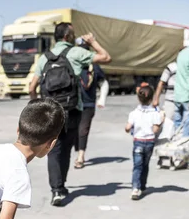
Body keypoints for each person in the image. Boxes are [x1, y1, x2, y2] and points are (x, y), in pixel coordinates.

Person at [29, 22, 111, 206]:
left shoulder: (44, 58)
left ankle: (57, 189)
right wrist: (92, 42)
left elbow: (31, 87)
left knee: (54, 150)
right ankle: (60, 186)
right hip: (73, 109)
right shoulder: (75, 53)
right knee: (66, 149)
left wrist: (37, 106)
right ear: (67, 36)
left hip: (51, 111)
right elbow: (106, 57)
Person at [74, 39, 109, 168]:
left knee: (83, 130)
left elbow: (103, 83)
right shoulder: (73, 64)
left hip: (88, 104)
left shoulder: (94, 67)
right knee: (74, 131)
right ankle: (78, 151)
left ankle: (80, 157)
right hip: (73, 104)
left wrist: (102, 100)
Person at [125, 83, 163, 200]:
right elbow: (155, 129)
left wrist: (129, 128)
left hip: (138, 141)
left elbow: (127, 128)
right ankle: (143, 185)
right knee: (145, 165)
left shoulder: (134, 113)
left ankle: (135, 188)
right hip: (149, 142)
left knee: (137, 166)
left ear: (138, 98)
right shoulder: (155, 113)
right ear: (151, 99)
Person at [174, 46, 189, 136]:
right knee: (186, 130)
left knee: (177, 126)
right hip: (187, 96)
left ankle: (176, 144)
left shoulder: (181, 53)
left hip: (178, 95)